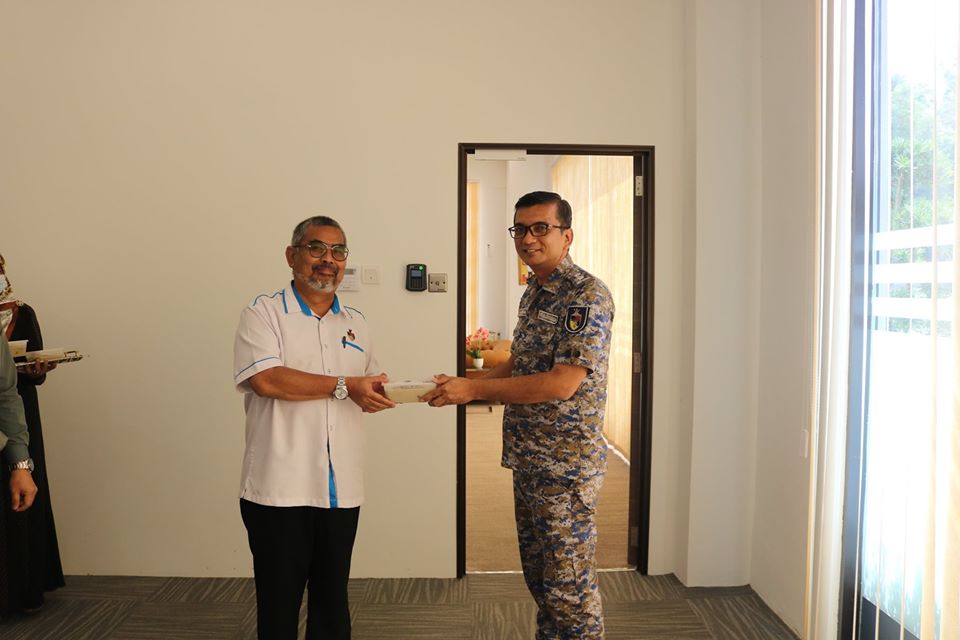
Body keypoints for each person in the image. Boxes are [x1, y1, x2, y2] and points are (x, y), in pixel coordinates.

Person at [422, 191, 615, 639]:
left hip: (565, 469)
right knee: (543, 584)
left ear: (567, 236)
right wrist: (464, 385)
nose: (528, 239)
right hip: (529, 461)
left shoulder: (585, 295)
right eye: (521, 229)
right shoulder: (535, 292)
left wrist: (474, 389)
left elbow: (561, 383)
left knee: (571, 593)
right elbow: (521, 364)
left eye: (540, 228)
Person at [233, 215, 395, 640]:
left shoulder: (357, 322)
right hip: (279, 489)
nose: (328, 259)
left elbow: (365, 385)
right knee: (279, 606)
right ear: (292, 256)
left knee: (332, 603)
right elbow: (266, 379)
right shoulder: (264, 313)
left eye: (338, 251)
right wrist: (346, 386)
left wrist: (384, 392)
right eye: (317, 248)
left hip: (341, 489)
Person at [0, 255, 64, 617]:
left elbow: (14, 384)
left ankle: (25, 586)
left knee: (20, 489)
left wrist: (36, 369)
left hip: (19, 409)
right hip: (11, 404)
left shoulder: (22, 313)